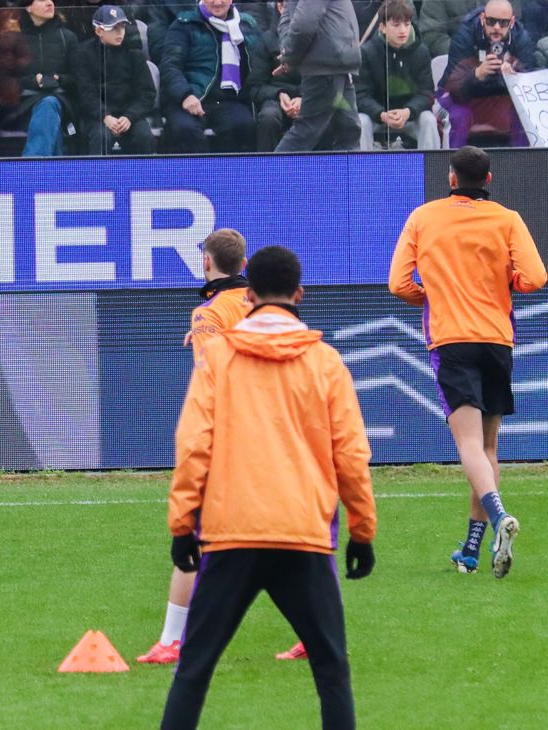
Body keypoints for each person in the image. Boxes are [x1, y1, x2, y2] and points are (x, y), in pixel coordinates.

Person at [161, 245, 377, 730]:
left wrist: (181, 526)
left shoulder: (218, 357)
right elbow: (352, 456)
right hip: (302, 535)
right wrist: (361, 531)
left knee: (193, 672)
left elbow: (193, 445)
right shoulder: (325, 362)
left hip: (231, 533)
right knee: (332, 672)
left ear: (250, 296)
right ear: (299, 293)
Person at [388, 145, 546, 578]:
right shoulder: (508, 219)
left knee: (469, 446)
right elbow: (534, 278)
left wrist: (434, 296)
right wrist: (504, 283)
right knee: (489, 447)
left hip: (451, 340)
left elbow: (398, 283)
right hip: (497, 340)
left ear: (452, 178)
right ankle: (472, 550)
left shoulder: (424, 217)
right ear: (489, 180)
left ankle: (499, 519)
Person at [137, 228, 250, 666]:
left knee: (194, 539)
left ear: (207, 262)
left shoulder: (208, 313)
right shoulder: (261, 304)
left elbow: (212, 378)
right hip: (275, 435)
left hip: (227, 436)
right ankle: (315, 636)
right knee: (291, 545)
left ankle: (171, 641)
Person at [160, 0, 264, 154]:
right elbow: (170, 67)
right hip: (189, 98)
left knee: (242, 125)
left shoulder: (246, 25)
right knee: (185, 130)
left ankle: (229, 177)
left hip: (228, 100)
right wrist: (185, 95)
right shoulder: (184, 25)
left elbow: (261, 62)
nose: (217, 2)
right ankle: (195, 176)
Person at [437, 1, 536, 149]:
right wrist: (477, 73)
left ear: (512, 22)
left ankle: (520, 168)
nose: (496, 27)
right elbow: (454, 89)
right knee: (460, 116)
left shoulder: (522, 39)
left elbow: (528, 88)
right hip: (460, 95)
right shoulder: (464, 37)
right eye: (491, 21)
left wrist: (514, 77)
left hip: (499, 96)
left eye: (503, 23)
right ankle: (455, 168)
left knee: (522, 116)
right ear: (483, 18)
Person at [0, 0, 79, 157]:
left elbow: (79, 78)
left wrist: (59, 79)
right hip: (21, 106)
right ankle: (48, 175)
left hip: (60, 102)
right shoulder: (11, 39)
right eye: (42, 0)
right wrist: (32, 81)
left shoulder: (68, 37)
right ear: (28, 6)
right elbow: (1, 81)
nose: (50, 3)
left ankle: (32, 169)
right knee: (50, 124)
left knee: (49, 105)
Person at [273, 0, 362, 152]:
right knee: (307, 131)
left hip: (336, 66)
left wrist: (288, 54)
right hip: (328, 66)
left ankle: (345, 175)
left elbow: (289, 19)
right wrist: (289, 55)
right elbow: (303, 25)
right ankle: (271, 174)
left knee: (348, 130)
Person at [356, 0, 439, 150]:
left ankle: (431, 170)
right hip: (377, 116)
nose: (403, 30)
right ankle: (362, 171)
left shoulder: (421, 52)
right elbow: (361, 95)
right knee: (361, 122)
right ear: (382, 28)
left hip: (410, 116)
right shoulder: (367, 53)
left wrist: (408, 111)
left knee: (428, 120)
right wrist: (381, 114)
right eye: (396, 25)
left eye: (407, 24)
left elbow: (426, 93)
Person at [76, 5, 156, 155]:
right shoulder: (84, 54)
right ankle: (98, 177)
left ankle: (145, 177)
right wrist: (104, 116)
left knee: (143, 136)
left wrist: (129, 116)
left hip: (130, 115)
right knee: (100, 137)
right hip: (97, 117)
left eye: (122, 28)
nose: (120, 33)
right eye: (113, 28)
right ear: (99, 31)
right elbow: (85, 93)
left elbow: (147, 94)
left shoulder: (135, 55)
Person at [252, 0, 303, 152]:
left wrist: (303, 97)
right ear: (280, 7)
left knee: (324, 117)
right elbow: (255, 86)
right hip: (275, 98)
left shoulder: (317, 39)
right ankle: (267, 168)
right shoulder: (266, 40)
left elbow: (324, 79)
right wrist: (279, 94)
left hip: (309, 95)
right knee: (268, 117)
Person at [422, 0, 523, 57]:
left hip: (502, 62)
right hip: (456, 67)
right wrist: (468, 57)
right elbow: (432, 34)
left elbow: (515, 30)